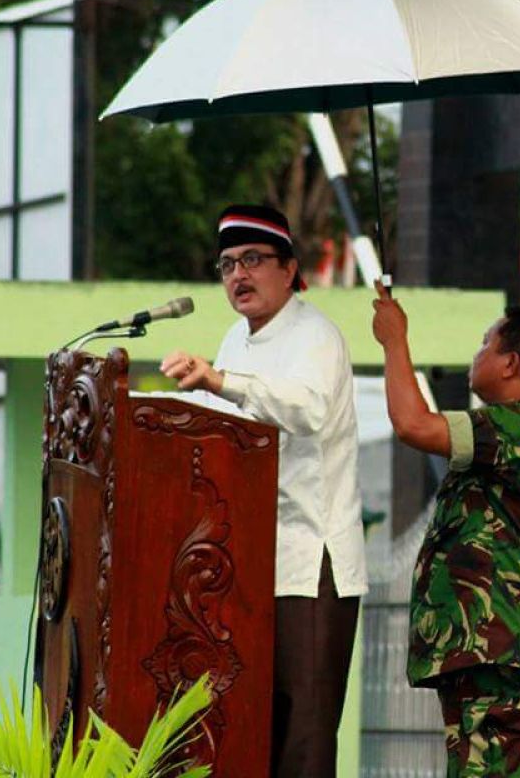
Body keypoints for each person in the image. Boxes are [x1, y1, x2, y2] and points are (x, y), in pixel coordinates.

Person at [161, 204, 366, 777]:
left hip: (311, 562)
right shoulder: (234, 338)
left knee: (304, 727)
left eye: (253, 260)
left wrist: (220, 381)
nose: (238, 276)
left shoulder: (316, 335)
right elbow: (214, 423)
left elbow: (306, 409)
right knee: (252, 718)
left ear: (290, 267)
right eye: (227, 264)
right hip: (246, 561)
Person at [371, 283, 520, 777]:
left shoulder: (515, 425)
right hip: (498, 648)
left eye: (486, 343)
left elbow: (413, 425)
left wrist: (394, 341)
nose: (477, 353)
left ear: (510, 363)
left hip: (494, 653)